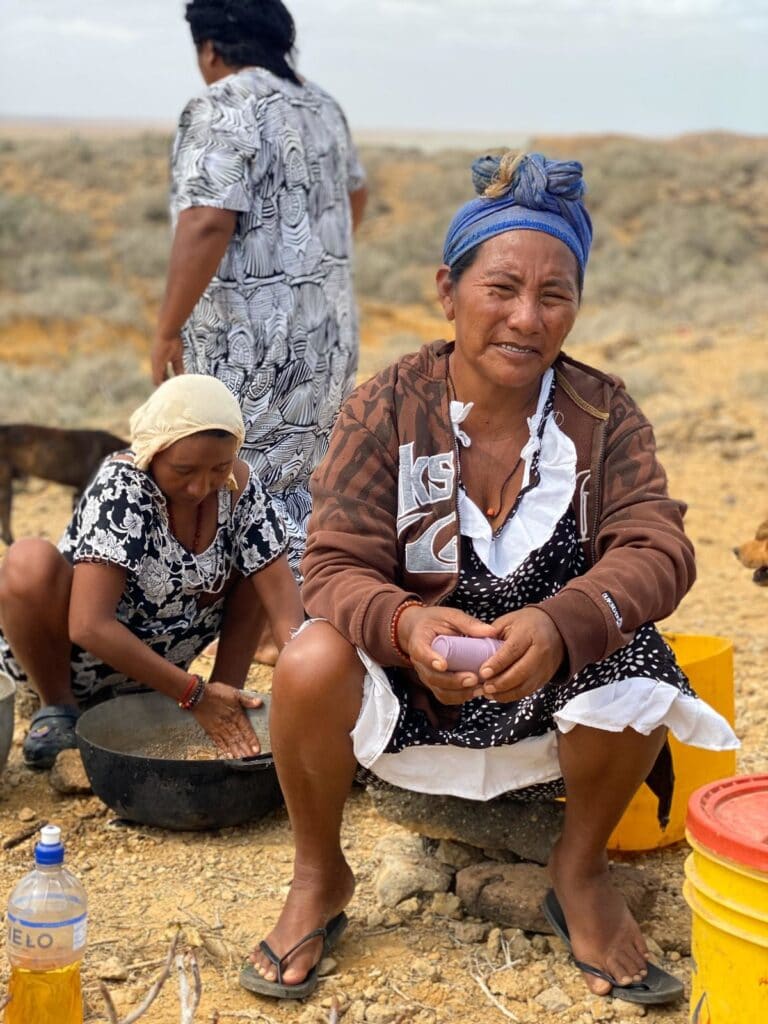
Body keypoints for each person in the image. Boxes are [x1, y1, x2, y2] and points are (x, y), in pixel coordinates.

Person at [241, 153, 739, 1003]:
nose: (525, 318)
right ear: (448, 289)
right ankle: (320, 875)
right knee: (311, 657)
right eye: (500, 288)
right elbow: (331, 564)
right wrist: (407, 628)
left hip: (549, 692)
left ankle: (576, 872)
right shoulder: (386, 408)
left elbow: (656, 547)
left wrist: (561, 622)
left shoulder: (601, 415)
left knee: (643, 663)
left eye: (554, 296)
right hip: (416, 691)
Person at [152, 0, 368, 585]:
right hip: (327, 331)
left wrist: (168, 327)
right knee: (307, 472)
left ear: (210, 49)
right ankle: (306, 602)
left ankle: (276, 619)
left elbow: (206, 221)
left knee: (237, 467)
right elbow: (354, 199)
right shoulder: (322, 105)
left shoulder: (220, 105)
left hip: (250, 336)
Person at [0, 375, 303, 769]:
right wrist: (194, 694)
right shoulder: (122, 488)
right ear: (152, 452)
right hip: (73, 662)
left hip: (161, 670)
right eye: (183, 470)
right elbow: (88, 626)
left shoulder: (238, 487)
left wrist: (305, 683)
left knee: (256, 561)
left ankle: (227, 696)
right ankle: (58, 708)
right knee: (28, 561)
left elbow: (283, 604)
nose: (201, 486)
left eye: (219, 467)